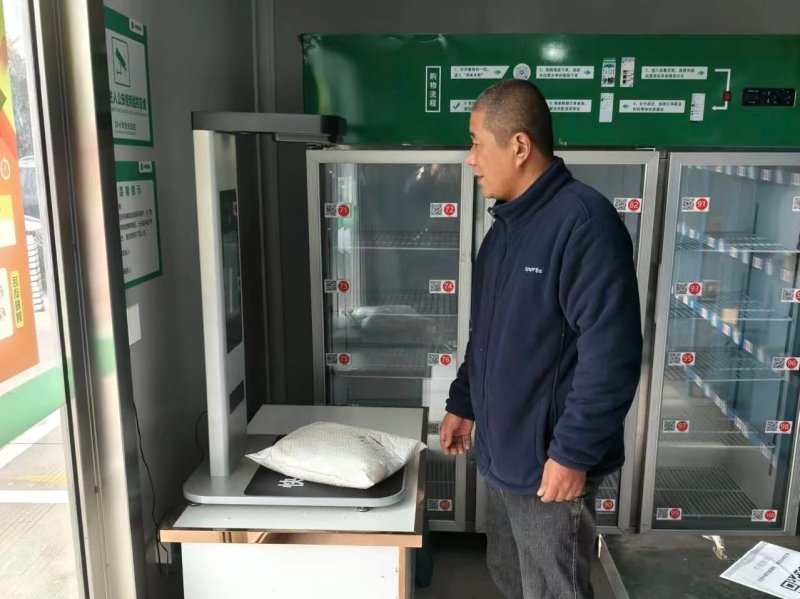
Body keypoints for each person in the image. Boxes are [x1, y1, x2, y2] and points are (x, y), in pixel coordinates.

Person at [440, 79, 642, 599]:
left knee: (553, 590)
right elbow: (487, 335)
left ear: (519, 146)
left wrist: (572, 454)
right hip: (503, 451)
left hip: (548, 462)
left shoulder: (584, 224)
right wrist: (464, 402)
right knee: (510, 576)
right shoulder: (505, 230)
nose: (470, 159)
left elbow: (612, 355)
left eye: (476, 143)